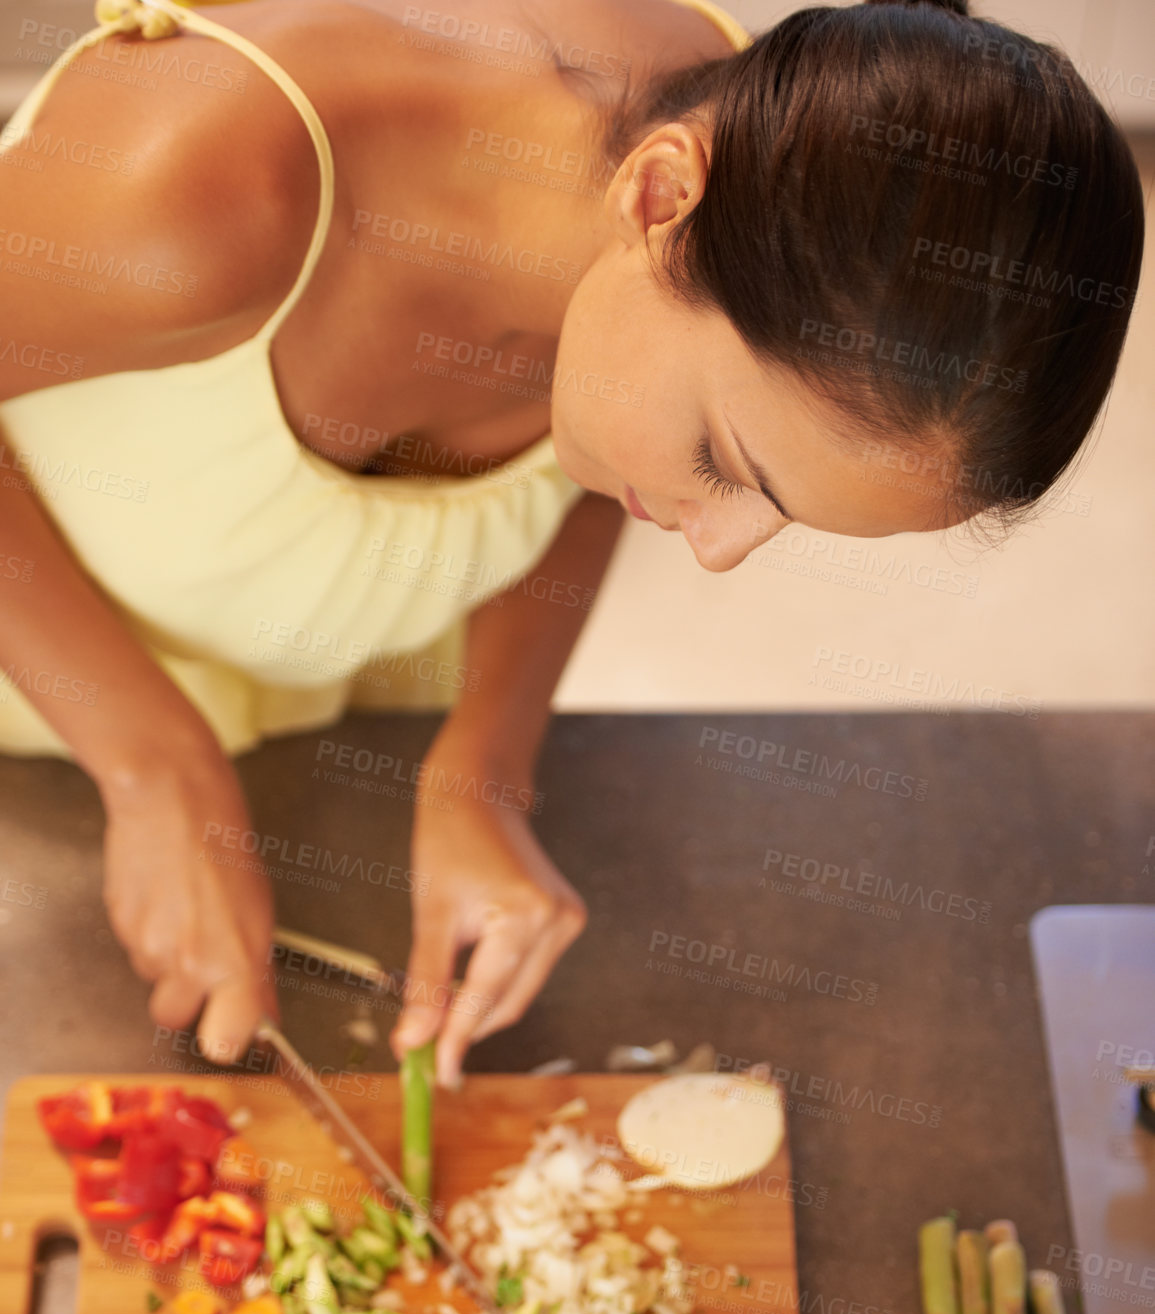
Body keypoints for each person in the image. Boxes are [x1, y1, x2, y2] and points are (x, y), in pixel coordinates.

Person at [0, 0, 1142, 1084]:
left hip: (313, 667)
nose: (718, 550)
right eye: (731, 464)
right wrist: (152, 765)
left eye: (779, 508)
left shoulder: (734, 140)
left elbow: (588, 475)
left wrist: (484, 763)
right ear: (657, 197)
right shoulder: (199, 189)